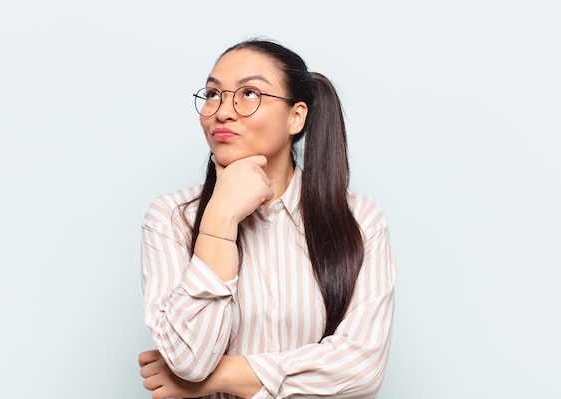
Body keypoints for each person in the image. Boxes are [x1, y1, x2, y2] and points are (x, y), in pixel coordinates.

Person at [138, 39, 397, 399]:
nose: (222, 111)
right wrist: (220, 218)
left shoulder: (360, 219)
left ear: (296, 116)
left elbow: (362, 368)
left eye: (249, 94)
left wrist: (221, 375)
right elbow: (189, 360)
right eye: (213, 94)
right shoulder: (171, 219)